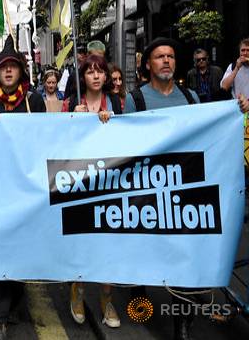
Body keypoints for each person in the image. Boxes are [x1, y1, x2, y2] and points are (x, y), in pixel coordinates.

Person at [124, 38, 249, 339]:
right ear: (148, 65)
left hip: (183, 191)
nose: (166, 61)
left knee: (184, 255)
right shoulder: (135, 99)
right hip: (148, 188)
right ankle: (136, 287)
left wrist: (237, 109)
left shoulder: (191, 97)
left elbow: (209, 130)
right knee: (145, 248)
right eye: (159, 57)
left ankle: (183, 326)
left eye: (170, 56)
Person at [0, 36, 45, 340]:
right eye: (3, 67)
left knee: (19, 249)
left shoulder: (35, 101)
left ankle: (13, 300)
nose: (8, 71)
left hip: (24, 188)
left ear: (21, 72)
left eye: (13, 66)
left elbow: (45, 137)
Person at [63, 54, 122, 329]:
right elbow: (58, 141)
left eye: (100, 71)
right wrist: (75, 120)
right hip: (81, 182)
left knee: (109, 243)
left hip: (112, 182)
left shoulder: (119, 104)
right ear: (83, 77)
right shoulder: (71, 105)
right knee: (83, 239)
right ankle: (78, 290)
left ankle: (106, 299)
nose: (96, 76)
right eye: (90, 72)